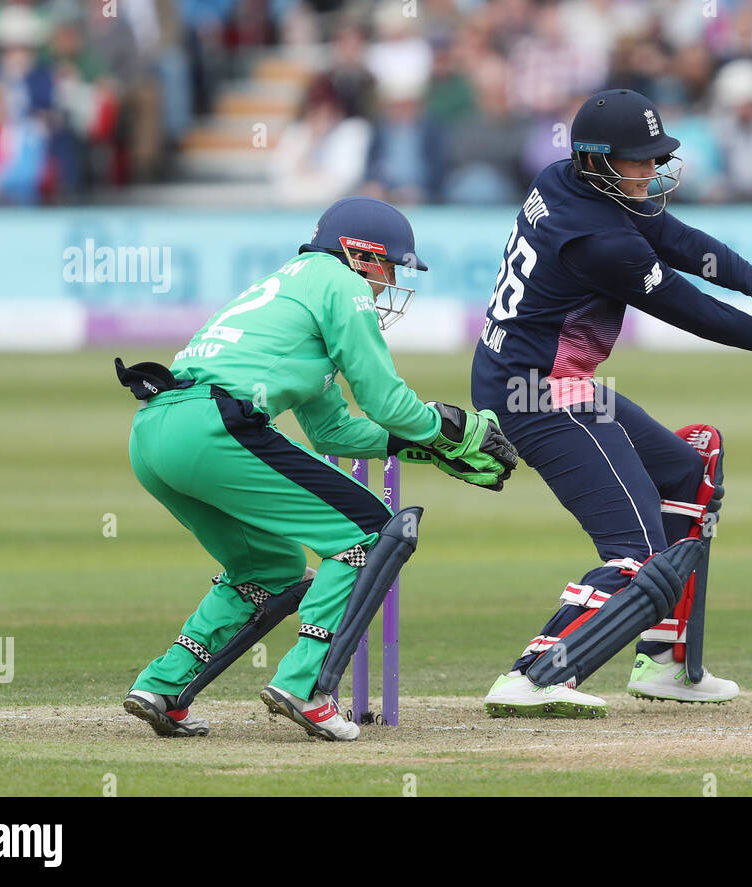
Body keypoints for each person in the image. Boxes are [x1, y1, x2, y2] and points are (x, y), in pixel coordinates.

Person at [471, 89, 752, 719]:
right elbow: (690, 310)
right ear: (598, 160)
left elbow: (675, 237)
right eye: (640, 160)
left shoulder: (568, 180)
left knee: (690, 469)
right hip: (536, 396)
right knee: (636, 552)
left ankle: (663, 661)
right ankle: (533, 675)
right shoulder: (598, 241)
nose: (652, 171)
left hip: (554, 382)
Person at [119, 196, 517, 741]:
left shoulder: (296, 284)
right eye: (390, 268)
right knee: (372, 531)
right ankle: (306, 685)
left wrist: (427, 448)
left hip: (156, 434)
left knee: (270, 567)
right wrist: (458, 432)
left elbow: (336, 432)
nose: (389, 283)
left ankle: (163, 685)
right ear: (362, 255)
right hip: (215, 425)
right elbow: (384, 400)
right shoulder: (341, 282)